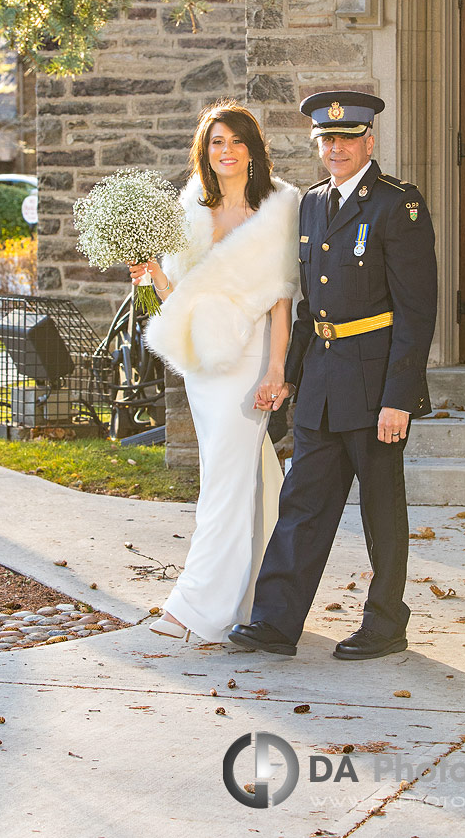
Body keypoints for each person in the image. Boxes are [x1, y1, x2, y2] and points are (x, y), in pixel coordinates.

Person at [229, 90, 437, 660]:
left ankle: (386, 623)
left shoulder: (399, 206)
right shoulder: (313, 204)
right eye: (327, 139)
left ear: (369, 141)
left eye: (347, 138)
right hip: (322, 380)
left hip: (375, 388)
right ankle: (275, 622)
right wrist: (289, 375)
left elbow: (416, 313)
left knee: (381, 510)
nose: (336, 148)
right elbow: (307, 305)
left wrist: (401, 397)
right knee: (302, 504)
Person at [128, 101, 300, 643]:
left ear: (254, 150)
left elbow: (282, 302)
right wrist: (153, 273)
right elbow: (181, 299)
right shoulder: (190, 209)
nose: (225, 152)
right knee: (249, 477)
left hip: (249, 363)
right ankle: (263, 599)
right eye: (216, 142)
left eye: (236, 142)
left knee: (225, 482)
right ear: (205, 151)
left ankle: (197, 606)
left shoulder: (279, 208)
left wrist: (278, 370)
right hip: (205, 367)